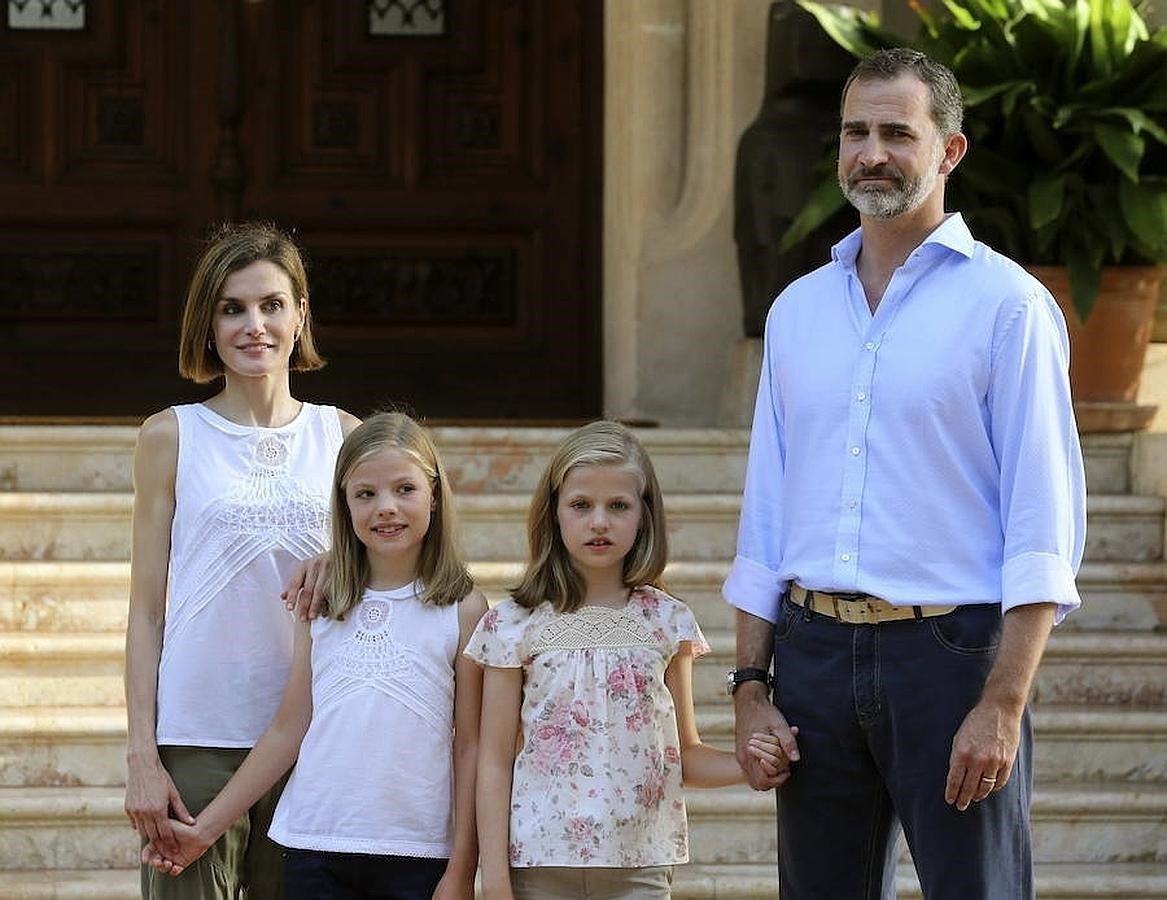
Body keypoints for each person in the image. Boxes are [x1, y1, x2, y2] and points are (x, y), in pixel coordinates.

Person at [725, 48, 1086, 899]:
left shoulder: (1009, 307)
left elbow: (1043, 524)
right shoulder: (797, 311)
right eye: (856, 131)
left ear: (948, 151)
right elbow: (766, 512)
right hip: (810, 656)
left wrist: (1001, 703)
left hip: (951, 656)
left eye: (897, 131)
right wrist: (749, 686)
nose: (871, 152)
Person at [141, 412, 489, 899]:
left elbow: (470, 746)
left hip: (417, 853)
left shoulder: (464, 608)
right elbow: (288, 729)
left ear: (434, 493)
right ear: (344, 505)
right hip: (312, 847)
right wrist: (204, 832)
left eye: (404, 489)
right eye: (365, 494)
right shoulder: (325, 603)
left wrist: (462, 870)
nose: (386, 507)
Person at [123, 222, 360, 899]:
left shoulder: (342, 436)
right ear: (208, 323)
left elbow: (388, 580)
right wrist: (143, 752)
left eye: (271, 304)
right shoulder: (171, 435)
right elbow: (145, 611)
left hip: (315, 733)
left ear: (300, 315)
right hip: (199, 731)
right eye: (232, 308)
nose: (253, 324)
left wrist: (338, 564)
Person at [468, 421, 783, 900]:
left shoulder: (666, 620)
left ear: (644, 516)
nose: (599, 521)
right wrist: (493, 880)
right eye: (581, 505)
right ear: (554, 514)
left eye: (618, 506)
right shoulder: (512, 624)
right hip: (538, 859)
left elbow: (686, 755)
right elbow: (492, 761)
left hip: (641, 865)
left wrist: (751, 765)